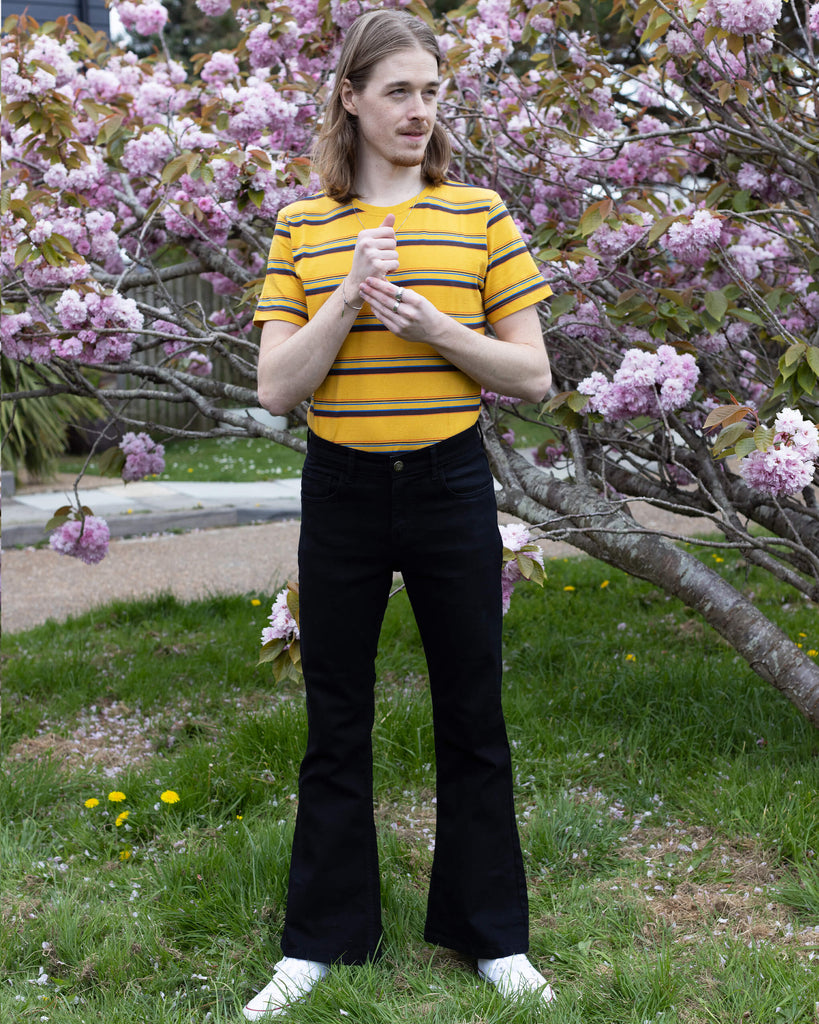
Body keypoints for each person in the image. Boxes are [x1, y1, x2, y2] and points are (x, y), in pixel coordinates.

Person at [246, 9, 554, 1019]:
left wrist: (436, 328)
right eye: (398, 92)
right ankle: (322, 942)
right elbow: (276, 389)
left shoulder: (479, 213)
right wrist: (346, 296)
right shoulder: (303, 223)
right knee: (334, 715)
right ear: (351, 97)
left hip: (450, 481)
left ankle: (492, 936)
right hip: (340, 485)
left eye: (431, 92)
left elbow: (533, 374)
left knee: (472, 709)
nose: (419, 111)